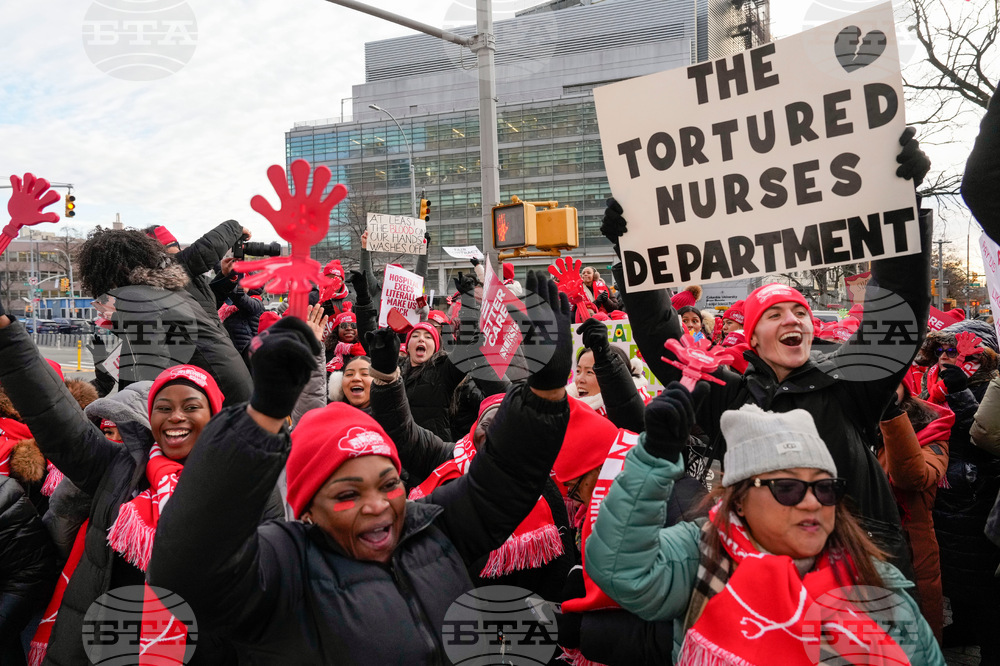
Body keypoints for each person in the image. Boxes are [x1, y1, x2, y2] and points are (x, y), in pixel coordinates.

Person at [147, 273, 574, 664]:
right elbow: (188, 570)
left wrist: (545, 392)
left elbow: (506, 475)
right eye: (348, 494)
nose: (377, 507)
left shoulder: (431, 529)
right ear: (308, 509)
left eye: (389, 484)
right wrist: (259, 419)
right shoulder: (282, 568)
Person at [598, 128, 933, 571]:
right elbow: (663, 336)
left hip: (854, 576)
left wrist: (900, 206)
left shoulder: (851, 385)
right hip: (751, 578)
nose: (792, 319)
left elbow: (896, 316)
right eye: (775, 315)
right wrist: (633, 247)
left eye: (800, 313)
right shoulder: (727, 395)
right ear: (752, 338)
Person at [586, 384, 945, 665]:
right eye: (787, 488)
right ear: (739, 497)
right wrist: (654, 458)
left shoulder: (875, 586)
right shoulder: (702, 555)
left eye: (824, 488)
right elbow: (620, 568)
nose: (811, 501)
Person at [76, 228, 252, 405]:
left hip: (213, 386)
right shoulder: (162, 290)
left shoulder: (137, 297)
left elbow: (149, 369)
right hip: (222, 380)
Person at [877, 382, 951, 642]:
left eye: (888, 384)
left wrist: (892, 418)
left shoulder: (931, 429)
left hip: (911, 547)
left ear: (905, 389)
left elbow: (913, 478)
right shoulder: (854, 423)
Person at [145, 221, 250, 320]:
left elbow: (207, 305)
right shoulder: (165, 271)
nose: (180, 250)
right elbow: (204, 250)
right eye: (173, 245)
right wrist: (233, 229)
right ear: (160, 253)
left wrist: (224, 276)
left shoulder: (185, 276)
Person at [569, 318, 647, 432]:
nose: (579, 379)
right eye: (578, 371)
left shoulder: (638, 418)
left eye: (589, 372)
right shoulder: (563, 414)